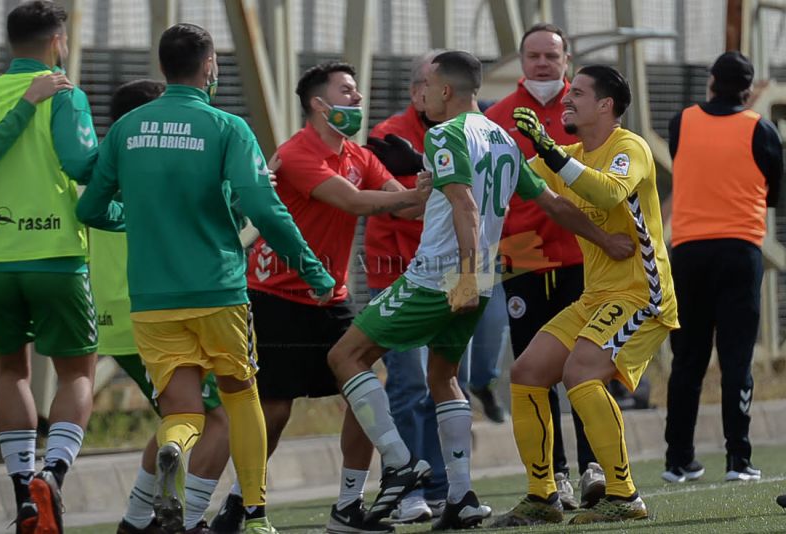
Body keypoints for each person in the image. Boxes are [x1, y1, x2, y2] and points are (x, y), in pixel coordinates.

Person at [327, 51, 635, 531]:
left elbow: (465, 205)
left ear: (445, 90)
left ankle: (398, 460)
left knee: (345, 356)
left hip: (440, 276)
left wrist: (466, 275)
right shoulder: (504, 139)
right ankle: (461, 495)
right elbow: (554, 204)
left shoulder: (444, 133)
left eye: (427, 86)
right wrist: (604, 239)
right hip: (484, 275)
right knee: (445, 377)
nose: (423, 95)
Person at [76, 23, 335, 534]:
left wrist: (129, 219)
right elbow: (265, 207)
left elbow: (91, 206)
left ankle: (173, 448)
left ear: (163, 65)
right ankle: (256, 515)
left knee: (185, 413)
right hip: (218, 291)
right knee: (242, 397)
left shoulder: (127, 130)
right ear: (210, 65)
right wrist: (311, 268)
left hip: (152, 300)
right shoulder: (227, 128)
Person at [209, 61, 431, 534]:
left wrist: (427, 171)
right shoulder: (296, 152)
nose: (356, 98)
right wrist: (411, 194)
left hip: (331, 294)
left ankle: (348, 507)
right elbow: (353, 201)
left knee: (362, 392)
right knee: (275, 409)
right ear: (317, 103)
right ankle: (239, 502)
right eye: (346, 91)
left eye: (355, 91)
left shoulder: (358, 153)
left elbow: (409, 208)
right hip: (276, 292)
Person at [496, 64, 677, 526]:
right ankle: (544, 495)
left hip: (643, 294)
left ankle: (624, 494)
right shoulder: (570, 153)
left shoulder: (628, 147)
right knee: (527, 372)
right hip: (598, 296)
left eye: (577, 93)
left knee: (581, 372)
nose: (566, 100)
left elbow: (610, 192)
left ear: (605, 105)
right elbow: (513, 179)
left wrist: (552, 154)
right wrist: (470, 140)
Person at [83, 79, 230, 534]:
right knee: (216, 418)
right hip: (147, 316)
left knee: (176, 418)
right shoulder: (145, 167)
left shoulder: (101, 166)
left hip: (123, 316)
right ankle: (187, 520)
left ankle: (134, 520)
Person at [0, 2, 100, 532]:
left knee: (11, 370)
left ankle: (21, 491)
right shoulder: (63, 91)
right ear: (59, 42)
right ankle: (52, 475)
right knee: (78, 370)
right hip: (54, 255)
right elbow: (81, 164)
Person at [484, 22, 601, 510]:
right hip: (524, 259)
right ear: (521, 61)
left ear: (566, 60)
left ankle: (596, 465)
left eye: (551, 56)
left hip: (582, 258)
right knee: (534, 372)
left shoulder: (588, 110)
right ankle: (554, 477)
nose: (542, 64)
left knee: (587, 365)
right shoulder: (496, 117)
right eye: (533, 56)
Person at [663, 51, 782, 484]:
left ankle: (677, 459)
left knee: (687, 359)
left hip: (690, 250)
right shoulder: (761, 129)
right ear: (749, 90)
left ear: (711, 81)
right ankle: (738, 458)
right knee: (736, 358)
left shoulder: (682, 121)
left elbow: (684, 161)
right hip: (739, 250)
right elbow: (772, 194)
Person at [362, 49, 460, 523]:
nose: (437, 90)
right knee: (410, 383)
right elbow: (405, 208)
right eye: (429, 82)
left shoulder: (473, 133)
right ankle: (410, 489)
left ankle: (451, 489)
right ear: (415, 90)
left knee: (462, 377)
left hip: (466, 272)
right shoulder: (386, 137)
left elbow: (479, 198)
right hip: (401, 273)